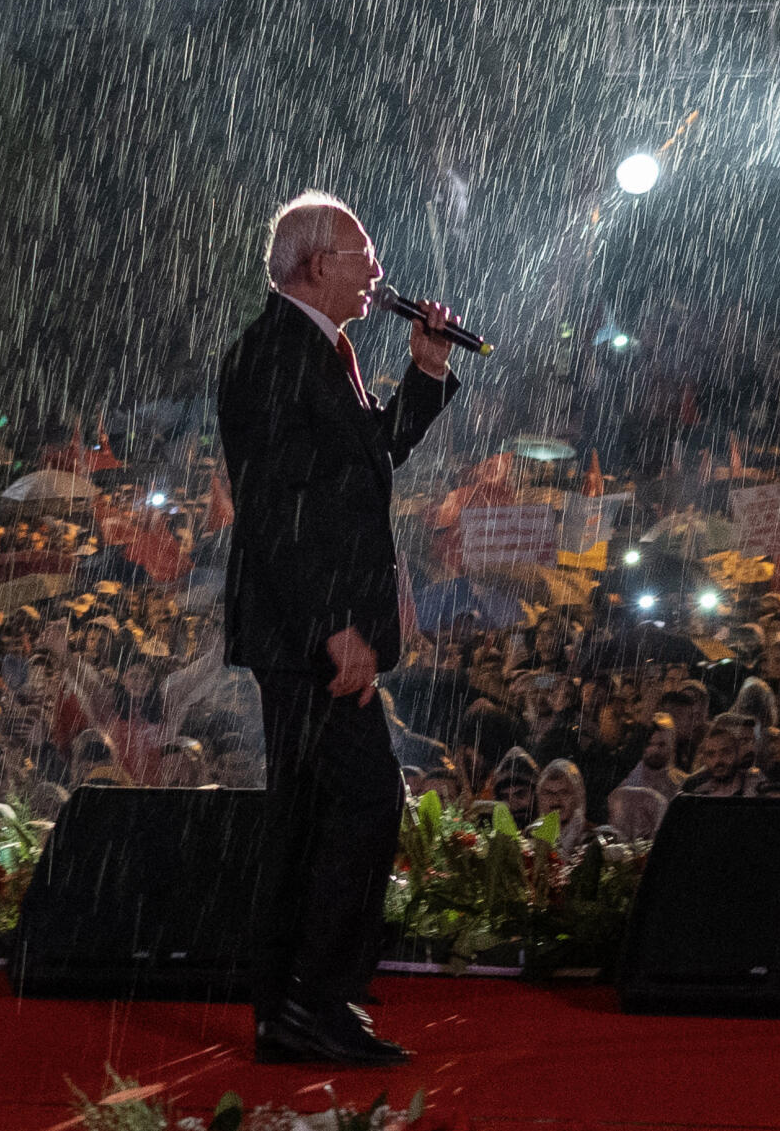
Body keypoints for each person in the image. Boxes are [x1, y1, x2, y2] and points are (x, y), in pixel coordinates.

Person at [218, 191, 462, 1068]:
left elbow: (369, 455)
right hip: (305, 639)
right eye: (364, 252)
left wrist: (426, 374)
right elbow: (275, 514)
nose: (379, 270)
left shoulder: (325, 351)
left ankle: (294, 1004)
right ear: (317, 263)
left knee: (312, 812)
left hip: (308, 634)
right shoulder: (276, 354)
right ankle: (315, 996)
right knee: (361, 800)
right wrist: (333, 629)